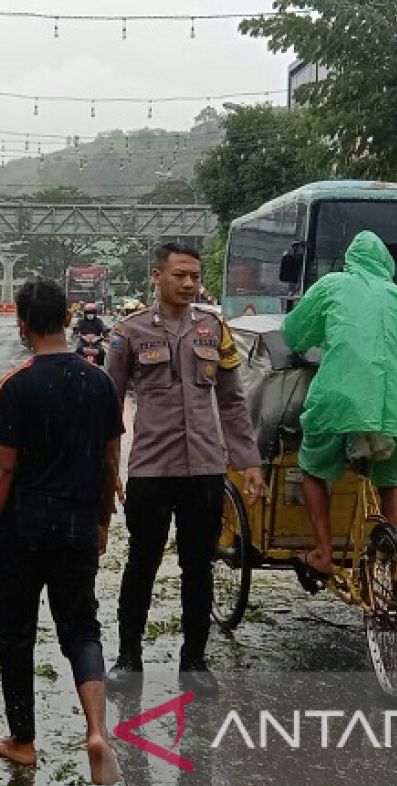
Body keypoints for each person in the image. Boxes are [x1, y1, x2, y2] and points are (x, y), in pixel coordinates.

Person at [0, 279, 122, 784]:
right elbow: (109, 463)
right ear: (67, 319)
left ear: (25, 324)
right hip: (79, 522)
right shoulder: (98, 381)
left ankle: (23, 741)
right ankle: (96, 729)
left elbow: (2, 470)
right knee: (80, 627)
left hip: (25, 525)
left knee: (16, 633)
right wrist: (101, 521)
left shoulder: (16, 385)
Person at [105, 243, 264, 698]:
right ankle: (128, 657)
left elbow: (232, 401)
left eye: (195, 276)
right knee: (142, 564)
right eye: (180, 275)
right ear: (157, 276)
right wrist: (107, 468)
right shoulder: (127, 333)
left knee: (199, 564)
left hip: (205, 471)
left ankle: (194, 659)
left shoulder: (214, 330)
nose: (190, 283)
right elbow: (109, 404)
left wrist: (248, 461)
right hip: (151, 470)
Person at [281, 231, 397, 578]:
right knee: (391, 483)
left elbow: (294, 334)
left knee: (311, 468)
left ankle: (323, 553)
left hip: (341, 403)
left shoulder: (332, 285)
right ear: (387, 264)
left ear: (351, 259)